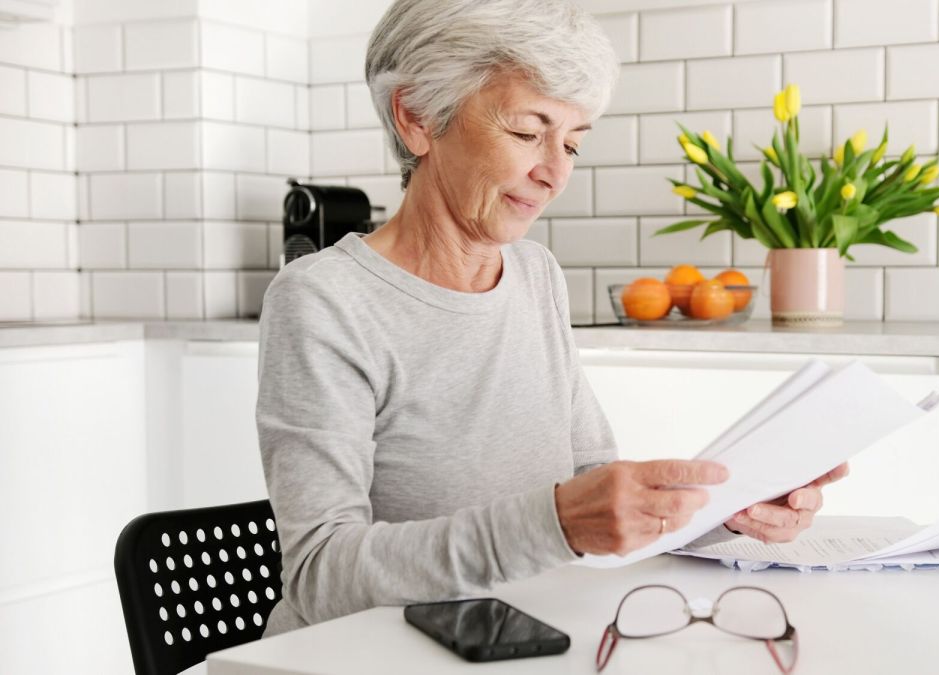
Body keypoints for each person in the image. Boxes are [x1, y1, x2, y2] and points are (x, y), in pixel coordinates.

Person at [255, 0, 848, 637]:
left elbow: (590, 488)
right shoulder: (323, 300)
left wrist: (723, 511)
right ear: (417, 116)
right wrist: (555, 524)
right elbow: (320, 575)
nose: (555, 172)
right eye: (526, 132)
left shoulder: (535, 276)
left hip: (516, 635)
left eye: (571, 143)